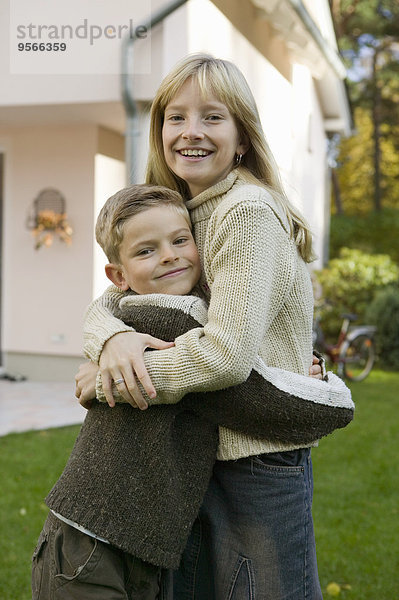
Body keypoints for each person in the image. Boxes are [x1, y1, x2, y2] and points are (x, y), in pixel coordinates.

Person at [78, 54, 351, 599]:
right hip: (197, 449)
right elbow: (112, 296)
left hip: (256, 458)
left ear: (242, 136)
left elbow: (225, 355)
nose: (190, 132)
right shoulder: (186, 208)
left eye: (212, 116)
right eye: (175, 117)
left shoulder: (244, 212)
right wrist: (110, 339)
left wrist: (124, 377)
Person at [35, 184, 353, 600]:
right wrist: (326, 390)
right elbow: (269, 404)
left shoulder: (141, 314)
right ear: (119, 276)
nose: (169, 255)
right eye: (146, 251)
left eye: (180, 240)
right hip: (93, 546)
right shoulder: (171, 327)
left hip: (127, 542)